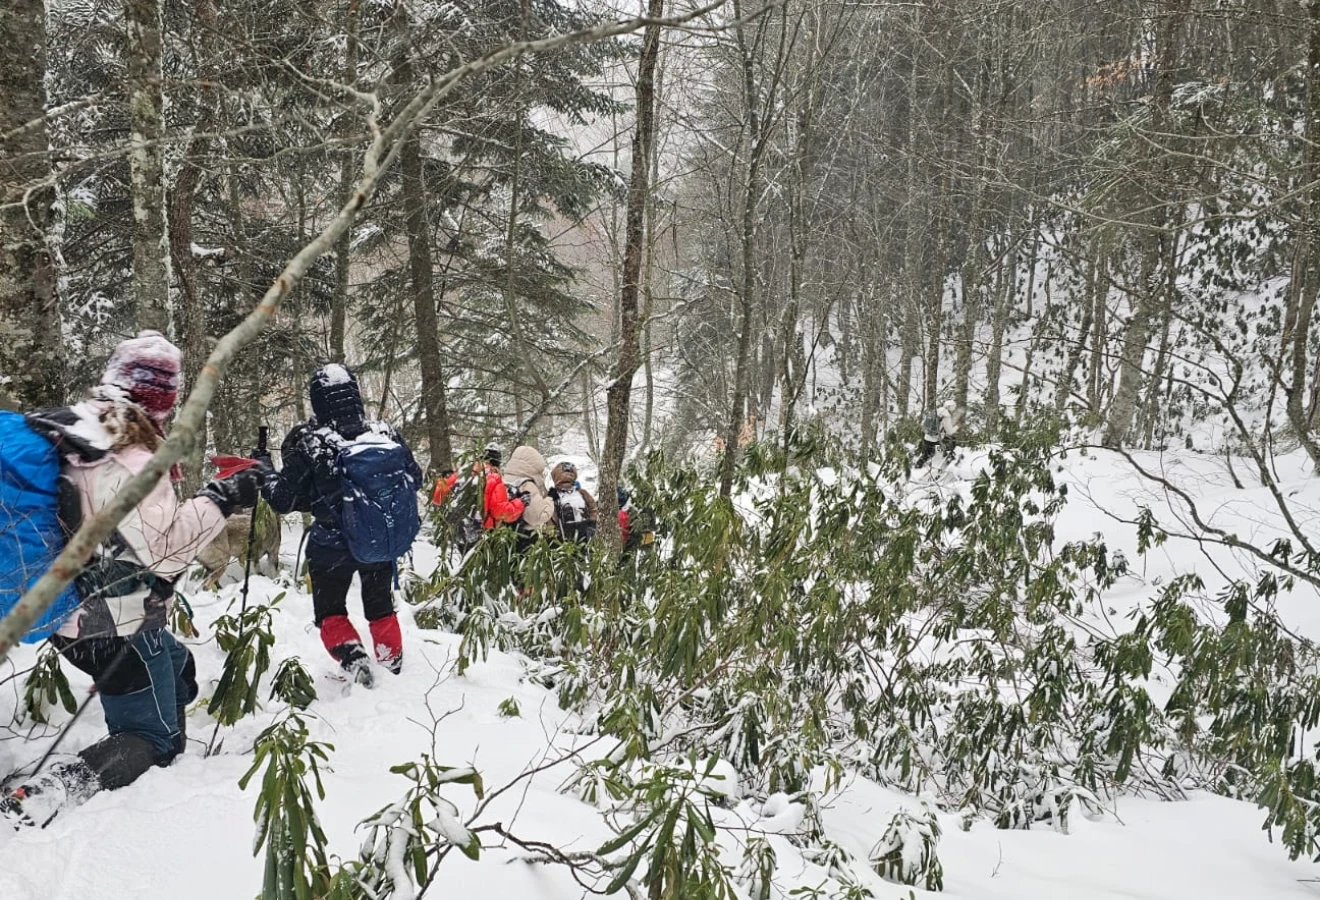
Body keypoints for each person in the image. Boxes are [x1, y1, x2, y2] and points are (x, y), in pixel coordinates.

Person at [2, 331, 262, 828]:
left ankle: (162, 721)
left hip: (73, 617)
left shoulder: (77, 433)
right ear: (164, 399)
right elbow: (164, 551)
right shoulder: (132, 457)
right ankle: (42, 794)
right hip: (111, 626)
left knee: (177, 662)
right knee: (152, 740)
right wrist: (221, 500)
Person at [258, 364, 421, 685]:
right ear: (355, 395)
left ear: (317, 401)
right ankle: (392, 666)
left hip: (331, 545)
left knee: (331, 610)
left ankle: (354, 658)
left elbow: (282, 500)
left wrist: (263, 468)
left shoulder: (312, 443)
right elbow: (415, 478)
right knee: (380, 606)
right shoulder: (385, 433)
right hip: (378, 539)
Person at [502, 446, 556, 553]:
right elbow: (538, 516)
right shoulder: (527, 484)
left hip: (503, 535)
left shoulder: (503, 480)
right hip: (523, 539)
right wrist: (550, 499)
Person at [548, 461, 598, 544]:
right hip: (582, 533)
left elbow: (550, 518)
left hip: (567, 536)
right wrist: (593, 524)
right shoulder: (582, 493)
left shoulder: (553, 496)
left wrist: (553, 535)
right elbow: (593, 509)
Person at [915, 399, 962, 469]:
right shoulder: (946, 416)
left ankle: (918, 465)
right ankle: (948, 457)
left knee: (927, 453)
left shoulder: (935, 411)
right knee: (952, 442)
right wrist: (957, 426)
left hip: (927, 435)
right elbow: (950, 432)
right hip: (935, 439)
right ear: (951, 408)